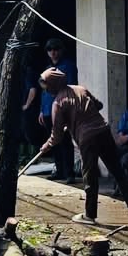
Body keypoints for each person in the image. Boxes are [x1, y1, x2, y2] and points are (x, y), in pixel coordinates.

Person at [39, 68, 128, 225]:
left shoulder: (58, 103)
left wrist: (46, 146)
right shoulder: (81, 89)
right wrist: (79, 113)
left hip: (87, 139)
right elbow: (98, 105)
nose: (46, 89)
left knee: (90, 176)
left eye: (46, 86)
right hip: (103, 131)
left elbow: (57, 136)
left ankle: (89, 215)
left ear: (53, 85)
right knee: (117, 170)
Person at [39, 38, 78, 181]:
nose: (53, 53)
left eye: (56, 49)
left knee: (65, 141)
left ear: (61, 50)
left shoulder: (69, 66)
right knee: (54, 142)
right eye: (50, 50)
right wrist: (42, 110)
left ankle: (69, 173)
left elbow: (72, 87)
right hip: (49, 109)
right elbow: (43, 91)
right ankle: (59, 170)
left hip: (62, 108)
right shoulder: (47, 68)